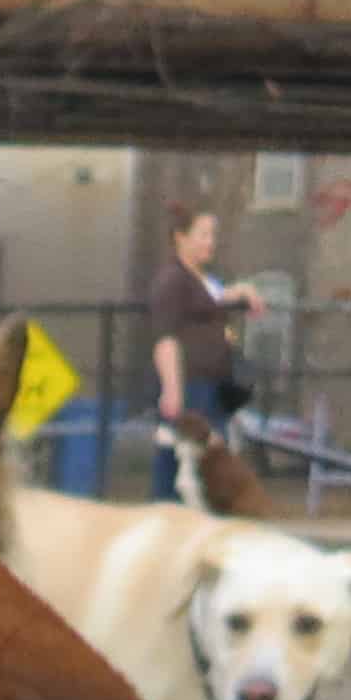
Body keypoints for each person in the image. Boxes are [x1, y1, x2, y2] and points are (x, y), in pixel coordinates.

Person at [144, 201, 263, 498]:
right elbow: (165, 339)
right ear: (180, 237)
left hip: (213, 388)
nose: (210, 242)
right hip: (190, 387)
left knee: (210, 462)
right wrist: (172, 389)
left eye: (213, 235)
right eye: (203, 235)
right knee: (178, 461)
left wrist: (243, 291)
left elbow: (218, 297)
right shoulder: (172, 281)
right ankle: (167, 517)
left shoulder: (202, 280)